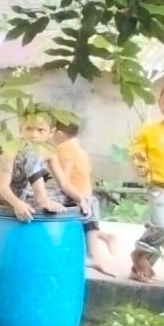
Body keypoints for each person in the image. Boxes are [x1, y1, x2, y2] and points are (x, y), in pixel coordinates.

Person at [48, 117, 128, 277]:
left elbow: (65, 179)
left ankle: (94, 253)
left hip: (74, 191)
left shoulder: (64, 149)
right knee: (85, 216)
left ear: (59, 133)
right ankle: (104, 237)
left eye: (52, 131)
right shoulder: (78, 148)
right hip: (85, 190)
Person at [0, 111, 62, 222]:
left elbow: (64, 184)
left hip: (26, 193)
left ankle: (93, 236)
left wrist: (81, 199)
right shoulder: (11, 149)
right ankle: (41, 199)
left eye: (40, 130)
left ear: (51, 132)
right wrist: (17, 204)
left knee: (89, 200)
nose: (34, 135)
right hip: (7, 196)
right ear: (21, 130)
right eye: (28, 129)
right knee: (31, 152)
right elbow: (2, 186)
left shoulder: (49, 151)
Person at [129, 81, 164, 282]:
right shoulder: (150, 131)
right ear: (160, 102)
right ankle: (139, 253)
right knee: (162, 226)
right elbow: (137, 150)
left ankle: (138, 269)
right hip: (159, 186)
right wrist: (140, 162)